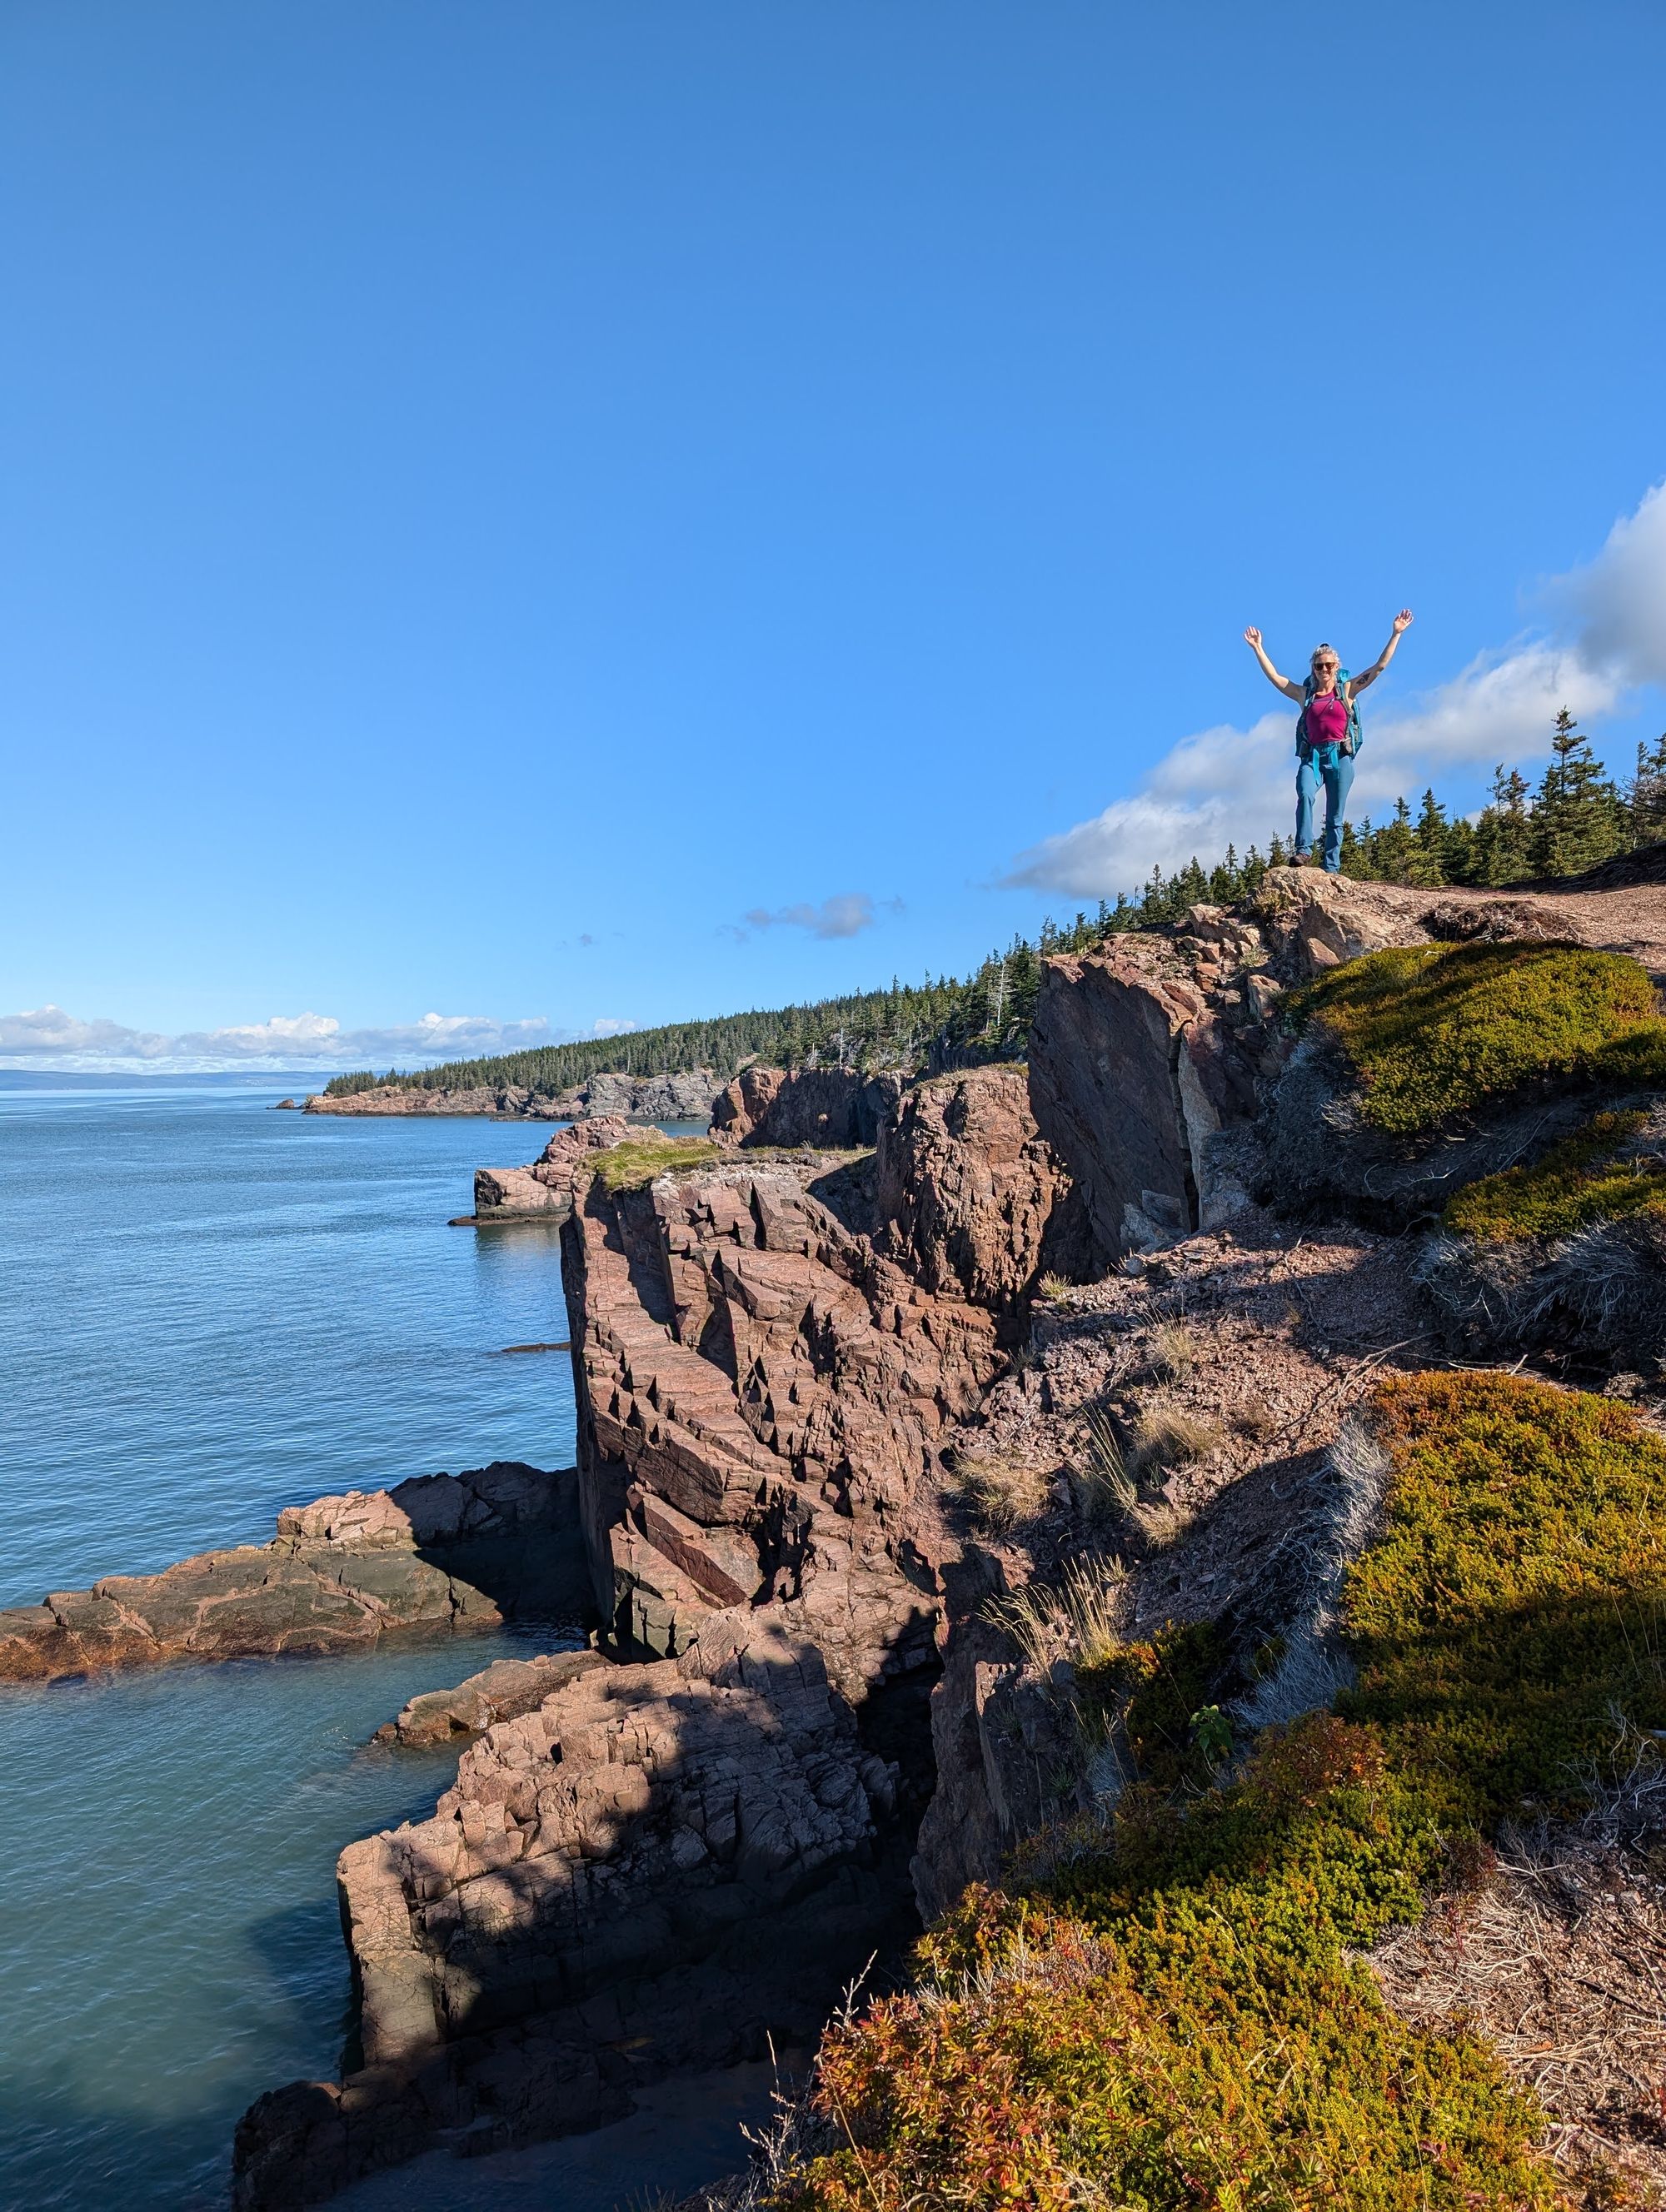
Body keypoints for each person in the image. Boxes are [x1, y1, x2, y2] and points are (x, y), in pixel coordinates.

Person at [1242, 611, 1414, 872]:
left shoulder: (1347, 691)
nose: (1324, 670)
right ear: (1313, 669)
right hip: (1312, 756)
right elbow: (1275, 678)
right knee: (1305, 793)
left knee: (1335, 816)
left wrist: (1396, 633)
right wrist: (1258, 648)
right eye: (1319, 666)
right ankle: (1303, 850)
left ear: (1336, 668)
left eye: (1329, 665)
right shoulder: (1305, 694)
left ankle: (1331, 868)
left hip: (1340, 757)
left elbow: (1378, 668)